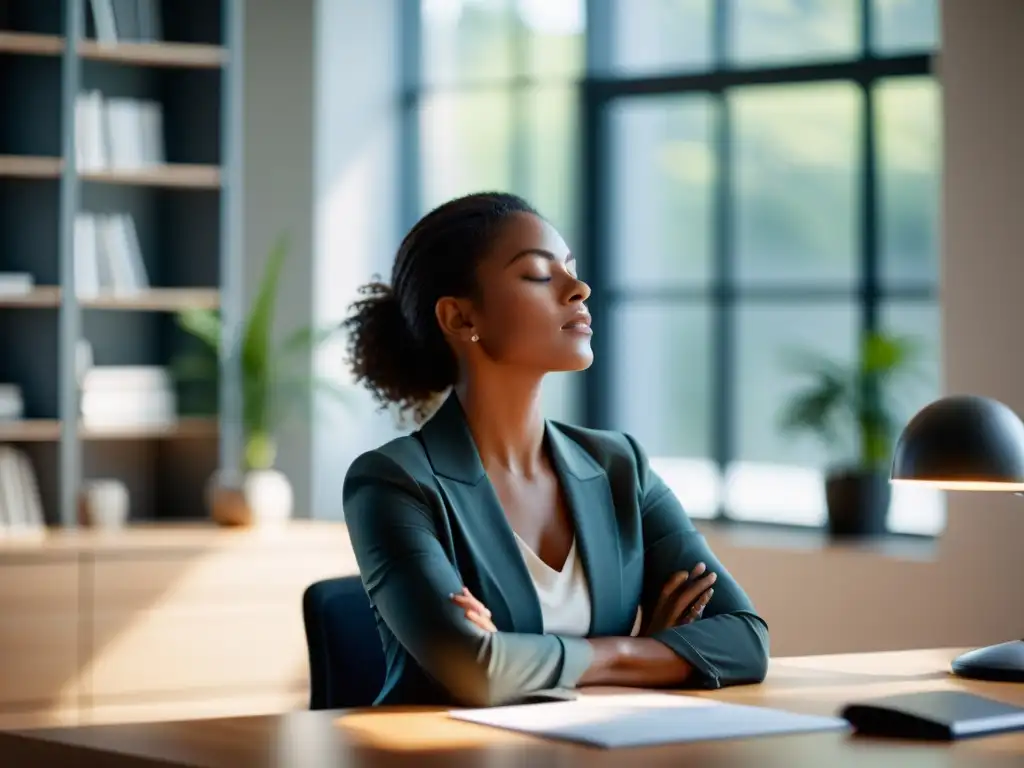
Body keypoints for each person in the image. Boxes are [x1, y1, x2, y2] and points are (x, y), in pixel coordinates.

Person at [342, 192, 769, 708]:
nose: (579, 289)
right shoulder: (393, 482)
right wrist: (649, 652)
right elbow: (477, 670)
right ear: (459, 318)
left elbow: (745, 641)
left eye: (570, 269)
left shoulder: (619, 467)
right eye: (540, 276)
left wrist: (578, 657)